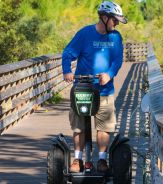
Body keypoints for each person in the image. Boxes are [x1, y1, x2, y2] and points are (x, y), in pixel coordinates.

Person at [62, 1, 127, 173]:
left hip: (104, 90)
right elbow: (67, 54)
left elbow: (118, 60)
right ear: (105, 18)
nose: (117, 23)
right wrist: (67, 71)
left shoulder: (116, 37)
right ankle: (77, 159)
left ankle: (102, 160)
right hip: (82, 89)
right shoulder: (84, 34)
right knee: (79, 126)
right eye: (115, 20)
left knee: (104, 126)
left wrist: (109, 74)